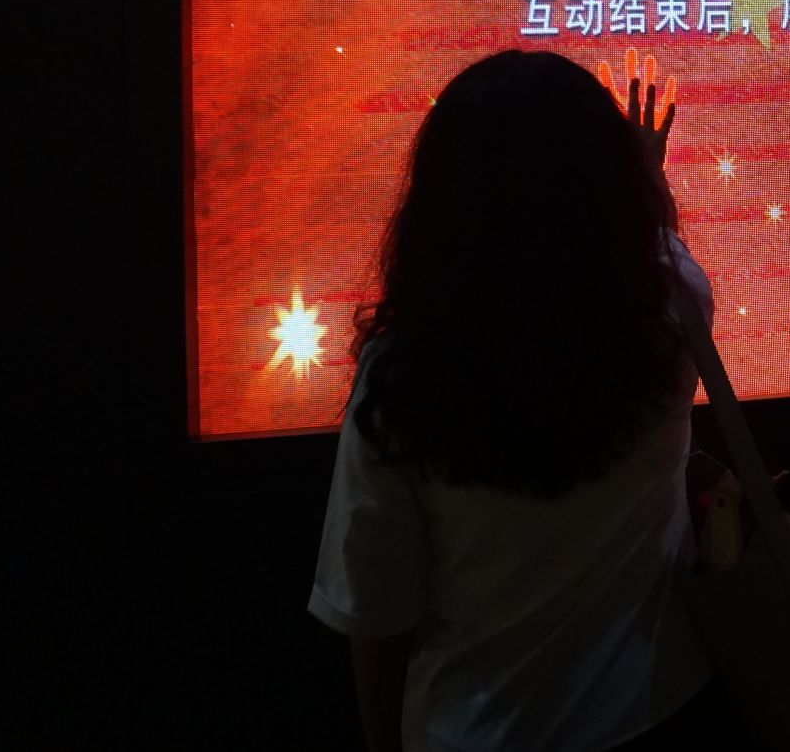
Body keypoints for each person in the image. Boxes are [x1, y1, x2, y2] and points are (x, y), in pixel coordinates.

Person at [308, 49, 735, 751]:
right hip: (661, 703)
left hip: (483, 730)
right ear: (614, 182)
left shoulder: (403, 377)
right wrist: (646, 174)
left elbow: (375, 615)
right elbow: (657, 249)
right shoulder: (672, 310)